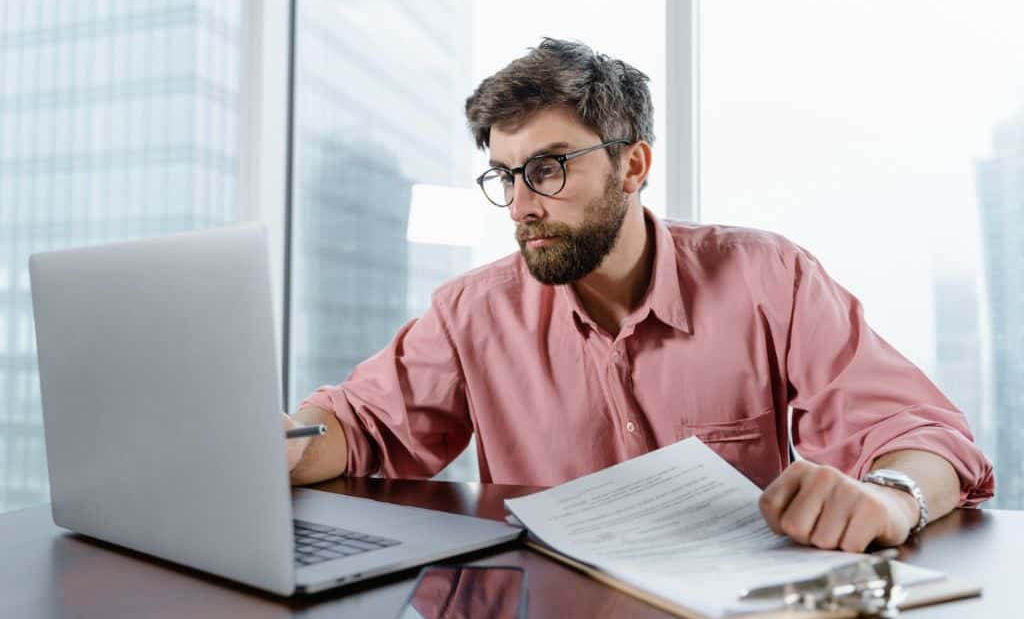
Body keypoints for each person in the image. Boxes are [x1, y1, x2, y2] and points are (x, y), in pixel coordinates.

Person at [283, 38, 993, 553]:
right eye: (505, 175)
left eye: (547, 168)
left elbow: (922, 433)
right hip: (553, 614)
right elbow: (356, 425)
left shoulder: (769, 278)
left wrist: (891, 497)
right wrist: (271, 443)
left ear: (633, 164)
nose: (520, 204)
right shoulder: (473, 312)